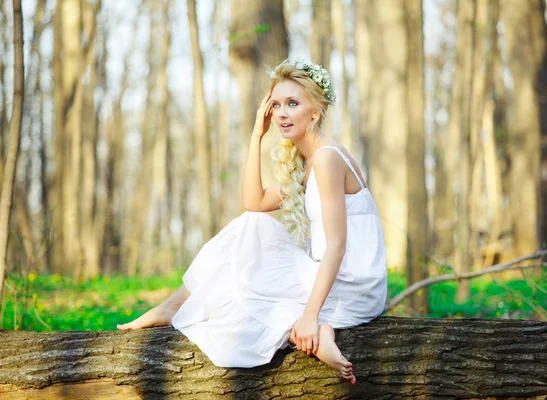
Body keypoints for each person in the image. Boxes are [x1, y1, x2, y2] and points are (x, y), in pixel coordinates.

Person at [117, 58, 387, 384]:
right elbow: (254, 202)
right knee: (251, 226)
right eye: (276, 105)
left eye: (292, 103)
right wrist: (256, 136)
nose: (282, 113)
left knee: (252, 248)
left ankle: (310, 323)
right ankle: (322, 332)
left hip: (352, 285)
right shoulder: (309, 162)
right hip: (342, 278)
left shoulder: (328, 159)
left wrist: (309, 314)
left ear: (314, 112)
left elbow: (338, 245)